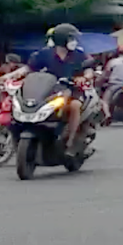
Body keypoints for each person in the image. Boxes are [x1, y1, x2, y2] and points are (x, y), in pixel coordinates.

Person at [27, 23, 89, 153]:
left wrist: (85, 77)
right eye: (71, 38)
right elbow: (29, 68)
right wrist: (12, 75)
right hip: (49, 89)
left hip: (72, 89)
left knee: (75, 106)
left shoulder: (78, 54)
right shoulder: (44, 53)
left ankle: (70, 141)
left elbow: (88, 69)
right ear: (62, 40)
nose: (74, 41)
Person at [100, 45, 123, 120]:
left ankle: (107, 115)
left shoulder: (112, 62)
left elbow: (106, 74)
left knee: (105, 101)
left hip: (115, 85)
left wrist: (101, 80)